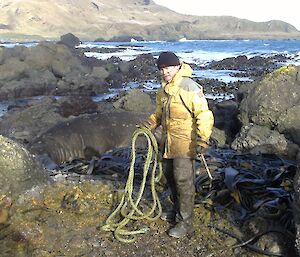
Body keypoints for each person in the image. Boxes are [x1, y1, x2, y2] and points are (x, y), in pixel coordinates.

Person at [139, 51, 214, 238]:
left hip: (184, 144)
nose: (165, 72)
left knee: (183, 181)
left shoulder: (189, 87)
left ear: (178, 66)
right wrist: (148, 125)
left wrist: (203, 139)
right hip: (166, 142)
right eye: (162, 68)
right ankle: (175, 211)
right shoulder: (163, 90)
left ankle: (185, 222)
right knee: (168, 178)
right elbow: (158, 113)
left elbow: (204, 115)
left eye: (168, 67)